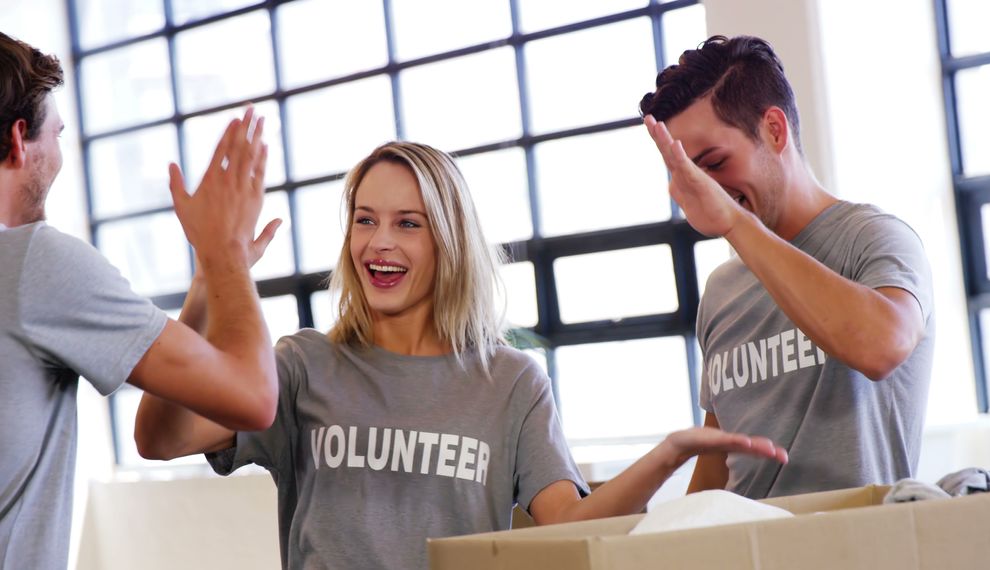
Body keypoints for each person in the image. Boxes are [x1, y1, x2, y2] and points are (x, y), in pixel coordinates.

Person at [134, 140, 790, 570]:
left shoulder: (509, 381)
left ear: (447, 240)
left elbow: (567, 522)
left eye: (407, 223)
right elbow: (160, 438)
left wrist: (668, 455)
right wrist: (205, 286)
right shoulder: (302, 366)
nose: (378, 243)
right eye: (364, 219)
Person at [0, 32, 281, 569]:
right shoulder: (34, 262)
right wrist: (225, 255)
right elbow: (253, 399)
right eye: (56, 134)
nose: (58, 154)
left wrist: (207, 280)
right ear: (20, 138)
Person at [639, 35, 935, 499]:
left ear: (775, 131)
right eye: (687, 174)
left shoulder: (874, 237)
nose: (704, 188)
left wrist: (735, 223)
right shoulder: (722, 291)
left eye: (714, 163)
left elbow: (882, 346)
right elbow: (718, 467)